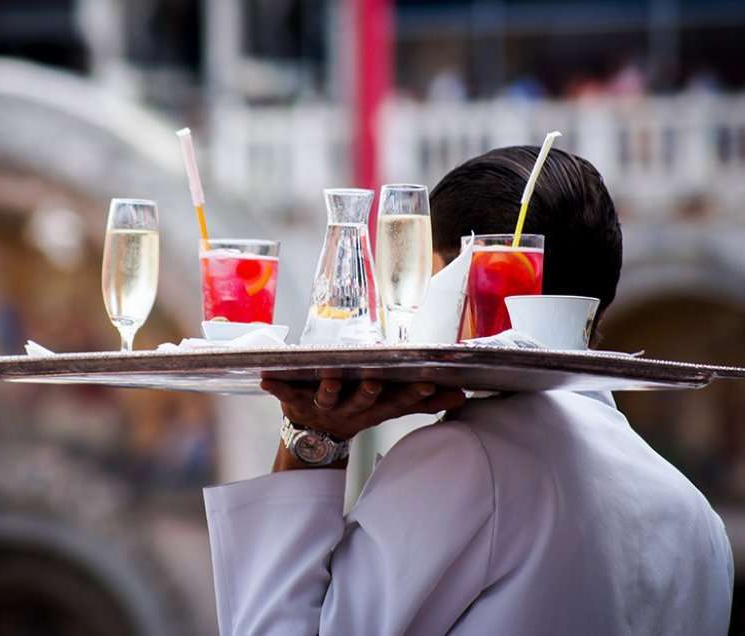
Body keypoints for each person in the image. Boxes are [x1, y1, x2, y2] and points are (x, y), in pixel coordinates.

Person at [203, 147, 734, 635]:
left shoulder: (466, 462)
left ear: (471, 282)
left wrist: (311, 441)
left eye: (420, 282)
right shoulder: (696, 517)